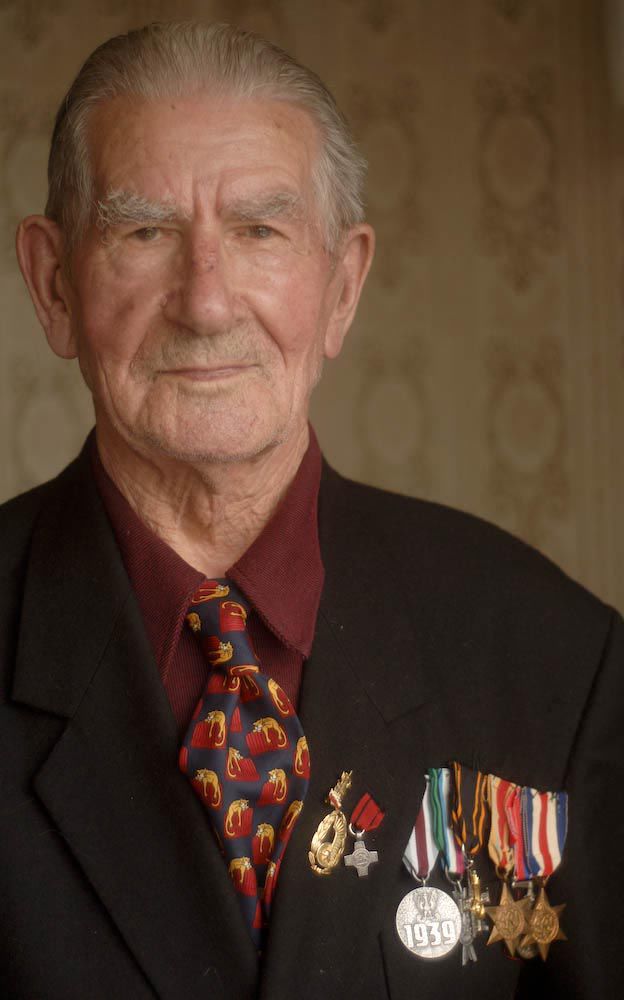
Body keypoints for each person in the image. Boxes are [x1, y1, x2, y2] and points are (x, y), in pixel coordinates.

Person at [1, 21, 621, 1000]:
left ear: (341, 286)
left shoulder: (552, 660)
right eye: (144, 230)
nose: (205, 302)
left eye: (259, 229)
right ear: (53, 284)